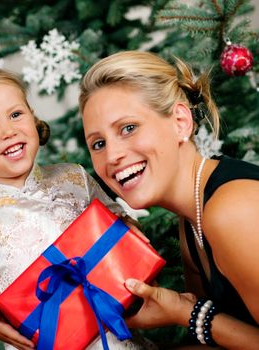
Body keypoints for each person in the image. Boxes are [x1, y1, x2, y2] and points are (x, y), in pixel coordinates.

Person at [0, 66, 157, 350]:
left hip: (114, 332)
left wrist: (130, 228)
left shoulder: (74, 177)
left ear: (33, 118)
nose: (8, 131)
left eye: (15, 114)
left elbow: (115, 223)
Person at [79, 50, 259, 349]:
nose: (112, 156)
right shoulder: (192, 218)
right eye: (98, 143)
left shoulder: (231, 210)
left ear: (180, 121)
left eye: (128, 128)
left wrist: (185, 312)